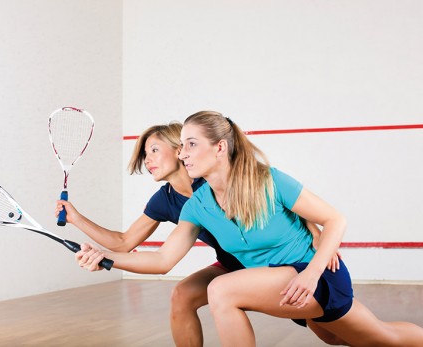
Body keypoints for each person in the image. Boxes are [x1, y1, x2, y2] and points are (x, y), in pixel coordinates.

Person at [75, 111, 423, 346]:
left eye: (191, 145)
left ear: (220, 147)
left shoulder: (266, 180)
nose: (183, 155)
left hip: (315, 278)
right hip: (276, 285)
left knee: (386, 339)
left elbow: (335, 220)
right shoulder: (197, 206)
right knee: (356, 338)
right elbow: (163, 260)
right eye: (182, 148)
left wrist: (312, 272)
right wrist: (107, 257)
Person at [56, 121, 337, 347]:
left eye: (154, 150)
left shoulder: (214, 174)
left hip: (279, 266)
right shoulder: (165, 200)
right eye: (145, 154)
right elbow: (125, 242)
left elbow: (270, 193)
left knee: (333, 337)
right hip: (232, 267)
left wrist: (317, 234)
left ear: (178, 149)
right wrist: (76, 219)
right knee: (182, 295)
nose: (147, 159)